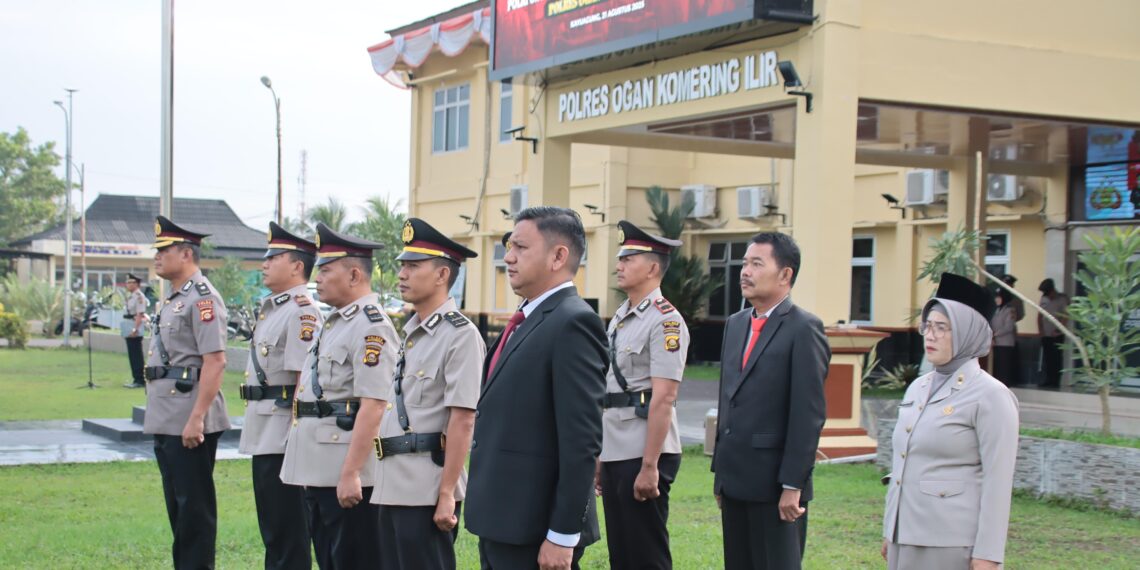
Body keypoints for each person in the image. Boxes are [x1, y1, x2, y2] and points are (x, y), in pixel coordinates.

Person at [465, 207, 607, 570]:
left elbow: (581, 441)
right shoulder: (528, 318)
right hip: (503, 518)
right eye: (509, 246)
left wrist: (562, 535)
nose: (508, 257)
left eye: (521, 248)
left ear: (558, 256)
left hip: (536, 527)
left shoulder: (573, 323)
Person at [279, 223, 399, 569]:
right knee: (330, 558)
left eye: (326, 270)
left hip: (344, 471)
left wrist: (352, 472)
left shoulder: (371, 325)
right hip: (319, 468)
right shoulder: (337, 322)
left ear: (354, 274)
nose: (317, 278)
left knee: (353, 559)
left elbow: (374, 405)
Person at [882, 273, 1020, 570]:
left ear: (968, 332)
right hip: (904, 536)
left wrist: (988, 553)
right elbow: (903, 463)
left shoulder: (991, 395)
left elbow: (998, 481)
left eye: (942, 328)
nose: (930, 335)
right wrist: (890, 529)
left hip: (951, 543)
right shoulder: (918, 387)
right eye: (928, 326)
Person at [371, 218, 485, 570]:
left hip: (427, 486)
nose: (402, 273)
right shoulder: (414, 331)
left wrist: (447, 494)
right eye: (402, 265)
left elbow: (463, 419)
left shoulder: (460, 335)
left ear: (441, 276)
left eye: (413, 266)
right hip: (393, 481)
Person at [712, 232, 829, 570]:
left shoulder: (804, 328)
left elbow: (808, 415)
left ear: (785, 275)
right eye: (745, 263)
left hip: (775, 485)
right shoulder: (735, 325)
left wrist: (793, 485)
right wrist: (721, 475)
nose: (745, 271)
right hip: (735, 478)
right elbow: (727, 401)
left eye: (757, 264)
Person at [596, 220, 689, 570]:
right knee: (622, 552)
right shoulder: (620, 318)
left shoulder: (666, 321)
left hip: (646, 450)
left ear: (652, 267)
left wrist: (650, 466)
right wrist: (601, 454)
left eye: (628, 258)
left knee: (646, 553)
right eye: (620, 258)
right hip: (617, 446)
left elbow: (663, 398)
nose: (619, 265)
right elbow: (610, 392)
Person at [144, 216, 232, 569]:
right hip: (167, 415)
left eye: (163, 250)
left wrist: (196, 418)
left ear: (185, 254)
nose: (157, 257)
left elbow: (215, 362)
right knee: (178, 507)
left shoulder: (203, 298)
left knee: (194, 509)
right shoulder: (174, 298)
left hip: (188, 418)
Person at [238, 222, 321, 570]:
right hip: (264, 431)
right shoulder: (275, 307)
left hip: (283, 436)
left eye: (274, 257)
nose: (265, 263)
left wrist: (296, 436)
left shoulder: (302, 310)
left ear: (297, 266)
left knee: (288, 534)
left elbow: (302, 377)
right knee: (273, 531)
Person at [1037, 278, 1069, 389]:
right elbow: (1040, 315)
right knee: (1047, 358)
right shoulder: (1044, 299)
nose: (1047, 295)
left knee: (1056, 359)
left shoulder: (1062, 299)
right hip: (1046, 334)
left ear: (1053, 290)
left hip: (1057, 335)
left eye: (1048, 292)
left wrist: (1059, 330)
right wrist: (1040, 330)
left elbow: (1066, 316)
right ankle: (1048, 380)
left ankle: (1056, 381)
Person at [121, 273, 150, 388]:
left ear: (137, 284)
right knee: (132, 353)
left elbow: (139, 314)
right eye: (127, 282)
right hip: (128, 323)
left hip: (135, 325)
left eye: (131, 282)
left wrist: (135, 328)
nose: (128, 285)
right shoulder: (131, 296)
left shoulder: (139, 296)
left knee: (136, 353)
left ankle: (140, 379)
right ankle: (136, 378)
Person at [990, 289, 1019, 387]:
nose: (997, 299)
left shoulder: (1010, 310)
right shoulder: (995, 309)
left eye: (999, 296)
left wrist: (995, 334)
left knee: (1004, 366)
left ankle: (1005, 385)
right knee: (996, 366)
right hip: (995, 342)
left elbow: (1009, 327)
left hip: (1005, 343)